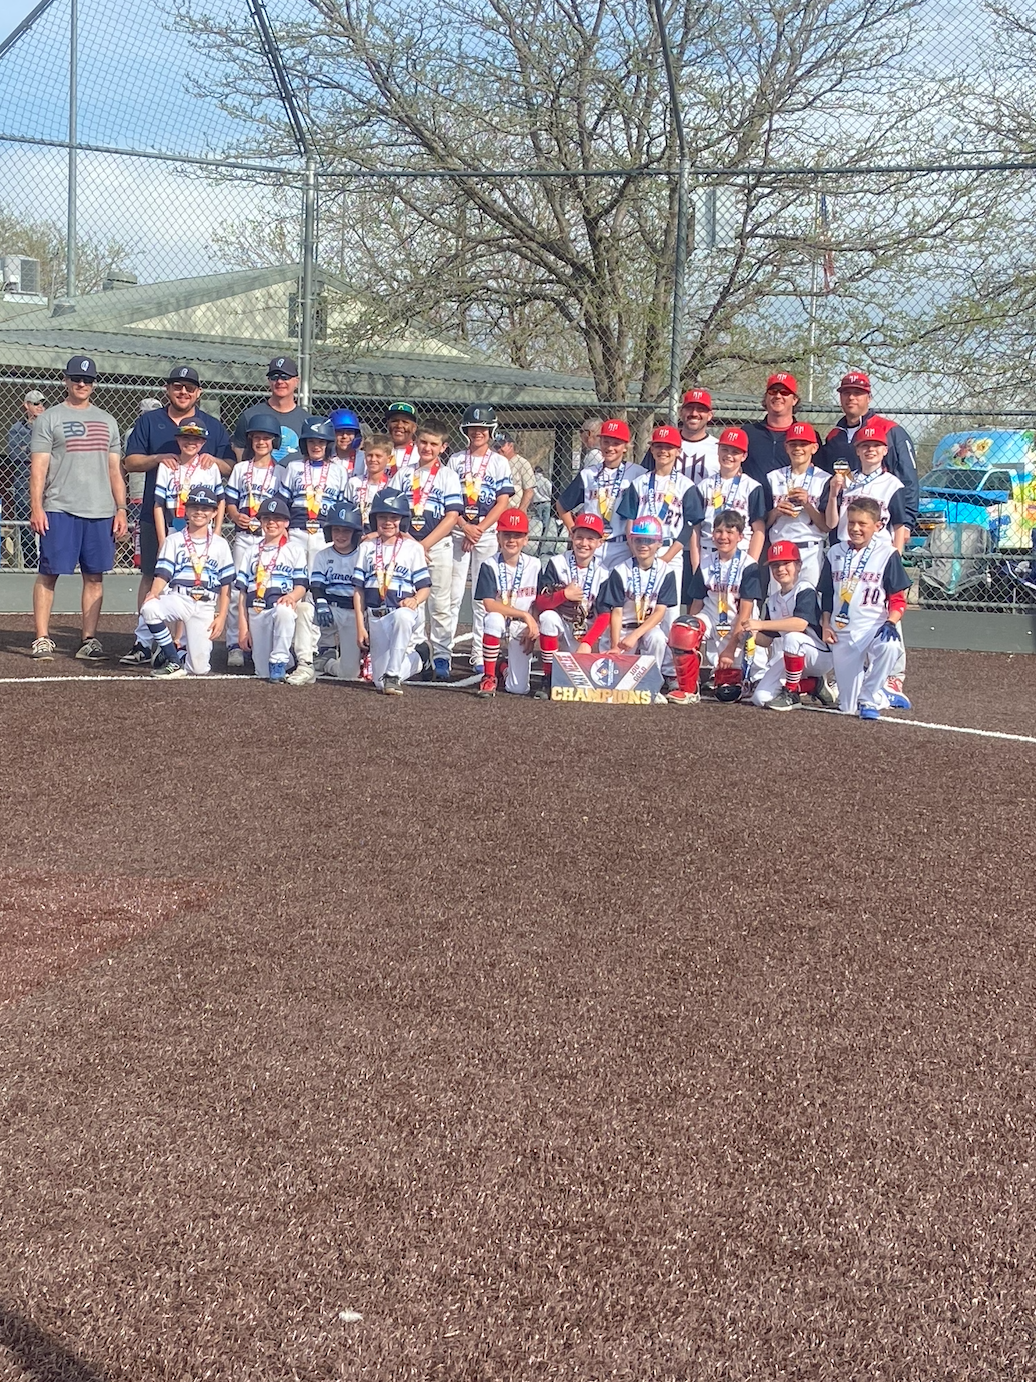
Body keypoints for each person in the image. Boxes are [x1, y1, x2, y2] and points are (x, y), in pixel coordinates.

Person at [121, 366, 233, 666]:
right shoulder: (150, 421)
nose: (183, 392)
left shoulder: (212, 425)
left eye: (189, 387)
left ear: (198, 392)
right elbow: (130, 461)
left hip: (198, 524)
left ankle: (177, 641)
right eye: (177, 386)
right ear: (167, 389)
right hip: (158, 516)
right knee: (151, 575)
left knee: (190, 578)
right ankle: (144, 641)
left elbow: (230, 466)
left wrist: (215, 461)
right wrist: (159, 458)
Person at [28, 356, 127, 661]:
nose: (82, 384)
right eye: (76, 379)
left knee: (94, 577)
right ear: (66, 381)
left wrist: (121, 508)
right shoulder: (50, 419)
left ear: (94, 384)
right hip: (60, 508)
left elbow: (114, 471)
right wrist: (37, 507)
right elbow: (38, 468)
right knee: (49, 573)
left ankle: (89, 639)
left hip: (100, 511)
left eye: (87, 380)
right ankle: (42, 638)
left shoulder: (108, 421)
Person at [820, 497, 911, 720]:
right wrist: (825, 624)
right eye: (851, 523)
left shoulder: (887, 554)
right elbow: (827, 594)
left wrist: (891, 621)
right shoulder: (834, 553)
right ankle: (883, 696)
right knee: (848, 707)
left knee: (890, 647)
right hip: (842, 630)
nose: (855, 528)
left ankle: (870, 696)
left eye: (862, 524)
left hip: (874, 627)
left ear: (877, 526)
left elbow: (898, 598)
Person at [140, 486, 234, 679]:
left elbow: (226, 585)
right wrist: (154, 593)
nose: (199, 512)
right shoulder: (173, 540)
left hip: (205, 605)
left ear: (214, 512)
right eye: (194, 507)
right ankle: (173, 658)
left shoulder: (220, 544)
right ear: (186, 510)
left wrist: (222, 616)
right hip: (180, 597)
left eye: (206, 508)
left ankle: (182, 653)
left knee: (199, 669)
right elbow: (163, 573)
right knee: (149, 608)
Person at [447, 404, 515, 672]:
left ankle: (478, 653)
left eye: (483, 428)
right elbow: (449, 500)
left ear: (491, 431)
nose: (478, 432)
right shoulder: (454, 460)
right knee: (452, 594)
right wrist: (465, 526)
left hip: (485, 534)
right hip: (458, 529)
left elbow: (503, 501)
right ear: (465, 430)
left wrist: (479, 530)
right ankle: (443, 651)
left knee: (481, 596)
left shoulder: (499, 462)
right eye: (473, 428)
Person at [280, 417, 348, 685]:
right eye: (311, 441)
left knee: (321, 590)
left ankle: (320, 647)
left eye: (321, 441)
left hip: (323, 534)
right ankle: (294, 647)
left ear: (328, 443)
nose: (316, 445)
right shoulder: (294, 466)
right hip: (297, 531)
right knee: (295, 587)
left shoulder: (339, 470)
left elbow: (343, 506)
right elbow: (284, 501)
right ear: (304, 443)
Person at [220, 411, 287, 668]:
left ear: (275, 442)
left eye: (266, 438)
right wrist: (236, 516)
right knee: (240, 588)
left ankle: (260, 641)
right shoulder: (240, 469)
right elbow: (231, 503)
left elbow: (284, 509)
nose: (261, 443)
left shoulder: (280, 472)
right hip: (245, 537)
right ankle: (234, 644)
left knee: (265, 588)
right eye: (256, 438)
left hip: (269, 538)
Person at [400, 417, 463, 681]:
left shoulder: (448, 476)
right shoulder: (403, 473)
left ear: (443, 447)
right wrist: (409, 540)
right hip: (406, 545)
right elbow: (391, 511)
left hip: (437, 546)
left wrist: (424, 544)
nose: (427, 448)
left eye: (433, 444)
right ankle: (416, 651)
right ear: (415, 442)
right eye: (423, 442)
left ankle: (441, 655)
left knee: (440, 603)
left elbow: (451, 516)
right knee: (411, 600)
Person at [352, 488, 432, 695]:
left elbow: (424, 588)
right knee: (379, 682)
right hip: (375, 617)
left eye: (394, 517)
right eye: (382, 517)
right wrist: (361, 627)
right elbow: (359, 590)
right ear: (374, 519)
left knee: (403, 616)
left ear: (402, 520)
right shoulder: (366, 548)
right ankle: (419, 658)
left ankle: (394, 675)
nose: (388, 522)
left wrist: (415, 600)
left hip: (400, 612)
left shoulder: (412, 548)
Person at [818, 370, 919, 526]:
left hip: (879, 522)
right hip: (843, 521)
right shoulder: (834, 435)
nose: (851, 397)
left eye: (857, 393)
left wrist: (906, 522)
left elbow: (908, 478)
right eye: (846, 393)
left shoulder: (890, 430)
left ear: (869, 398)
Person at [746, 541, 835, 710]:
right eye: (775, 565)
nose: (780, 569)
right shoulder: (773, 599)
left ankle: (792, 693)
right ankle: (813, 685)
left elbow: (800, 624)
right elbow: (766, 641)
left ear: (799, 565)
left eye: (786, 563)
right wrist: (750, 634)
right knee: (760, 697)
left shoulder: (805, 588)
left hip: (819, 655)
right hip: (793, 654)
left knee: (793, 638)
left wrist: (761, 623)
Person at [597, 515, 677, 701]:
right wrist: (616, 645)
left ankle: (651, 686)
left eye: (649, 541)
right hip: (622, 630)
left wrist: (636, 636)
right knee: (614, 687)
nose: (643, 545)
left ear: (659, 543)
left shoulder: (667, 571)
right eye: (639, 540)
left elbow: (660, 612)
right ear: (631, 541)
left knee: (657, 637)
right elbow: (615, 612)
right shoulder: (620, 570)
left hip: (645, 628)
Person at [685, 510, 762, 698]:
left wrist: (729, 648)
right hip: (712, 619)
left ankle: (746, 676)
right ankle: (687, 685)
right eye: (718, 531)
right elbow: (696, 602)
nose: (723, 537)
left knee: (740, 690)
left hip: (740, 624)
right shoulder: (705, 563)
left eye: (730, 532)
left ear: (740, 537)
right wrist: (688, 634)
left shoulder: (749, 565)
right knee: (683, 629)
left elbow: (745, 611)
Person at [535, 510, 611, 698]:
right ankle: (549, 676)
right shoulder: (557, 563)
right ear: (571, 536)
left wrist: (587, 642)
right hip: (563, 628)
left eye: (591, 539)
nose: (584, 543)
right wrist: (564, 595)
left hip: (589, 634)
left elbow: (605, 615)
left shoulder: (604, 573)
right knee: (547, 618)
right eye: (580, 537)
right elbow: (541, 603)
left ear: (600, 543)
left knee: (588, 689)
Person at [236, 496, 308, 683]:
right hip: (256, 610)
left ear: (286, 522)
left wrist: (292, 596)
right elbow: (243, 593)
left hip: (278, 606)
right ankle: (288, 660)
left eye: (277, 519)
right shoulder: (251, 551)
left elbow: (301, 586)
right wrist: (244, 628)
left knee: (285, 611)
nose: (271, 523)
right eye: (266, 518)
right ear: (260, 522)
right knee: (262, 671)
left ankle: (280, 659)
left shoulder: (294, 549)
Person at [557, 418, 645, 569]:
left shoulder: (638, 474)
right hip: (594, 546)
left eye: (616, 443)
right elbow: (562, 505)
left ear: (625, 447)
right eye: (606, 442)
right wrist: (574, 531)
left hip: (623, 546)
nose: (610, 447)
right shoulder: (588, 474)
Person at [474, 507, 542, 698]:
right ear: (498, 537)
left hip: (520, 627)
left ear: (526, 539)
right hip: (504, 620)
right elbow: (489, 604)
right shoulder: (489, 564)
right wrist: (525, 615)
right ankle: (488, 677)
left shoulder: (535, 565)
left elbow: (539, 602)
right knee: (493, 619)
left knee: (518, 688)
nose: (511, 540)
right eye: (507, 535)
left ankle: (501, 667)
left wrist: (532, 628)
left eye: (517, 535)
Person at [823, 421, 910, 550]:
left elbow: (898, 526)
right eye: (865, 445)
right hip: (845, 547)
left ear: (885, 450)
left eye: (876, 445)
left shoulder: (893, 484)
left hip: (879, 549)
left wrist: (896, 555)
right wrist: (832, 495)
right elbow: (831, 524)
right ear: (857, 451)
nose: (870, 449)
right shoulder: (844, 480)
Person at [764, 420, 830, 588]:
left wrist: (807, 505)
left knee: (809, 601)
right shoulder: (773, 477)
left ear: (814, 448)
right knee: (779, 605)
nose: (798, 448)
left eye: (804, 444)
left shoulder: (824, 479)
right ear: (786, 447)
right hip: (779, 550)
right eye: (793, 444)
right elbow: (762, 523)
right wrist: (776, 511)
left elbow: (826, 526)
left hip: (810, 549)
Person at [694, 426, 767, 563]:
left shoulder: (752, 486)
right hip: (708, 551)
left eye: (735, 452)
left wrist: (751, 562)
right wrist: (696, 563)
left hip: (740, 552)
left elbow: (758, 530)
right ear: (718, 450)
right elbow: (695, 528)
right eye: (725, 450)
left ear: (744, 456)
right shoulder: (704, 485)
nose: (728, 455)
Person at [311, 499, 363, 680]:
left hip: (352, 612)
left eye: (346, 530)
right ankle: (307, 660)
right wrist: (321, 602)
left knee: (350, 674)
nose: (340, 535)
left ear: (355, 533)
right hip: (329, 607)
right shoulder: (323, 554)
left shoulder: (363, 554)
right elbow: (316, 585)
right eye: (336, 530)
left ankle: (327, 663)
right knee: (303, 610)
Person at [153, 423, 226, 546]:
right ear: (178, 439)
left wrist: (217, 530)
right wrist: (162, 540)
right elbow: (158, 504)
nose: (191, 442)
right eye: (185, 437)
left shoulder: (210, 466)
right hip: (174, 532)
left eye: (196, 439)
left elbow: (221, 500)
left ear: (203, 442)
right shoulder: (167, 467)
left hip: (204, 532)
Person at [232, 356, 308, 463]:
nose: (279, 381)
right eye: (274, 377)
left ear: (296, 381)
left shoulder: (306, 420)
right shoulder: (250, 416)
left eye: (285, 377)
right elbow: (239, 450)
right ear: (269, 381)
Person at [7, 389, 46, 569]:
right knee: (27, 525)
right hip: (24, 482)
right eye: (36, 403)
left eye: (42, 403)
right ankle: (31, 564)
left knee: (50, 524)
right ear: (27, 406)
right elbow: (17, 454)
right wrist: (39, 453)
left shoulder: (48, 426)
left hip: (47, 482)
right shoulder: (17, 429)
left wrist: (32, 452)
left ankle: (47, 562)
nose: (40, 407)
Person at [743, 371, 799, 483]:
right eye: (773, 391)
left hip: (789, 498)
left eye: (784, 392)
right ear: (766, 397)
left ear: (794, 400)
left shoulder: (805, 436)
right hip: (754, 499)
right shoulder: (748, 432)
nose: (778, 396)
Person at [347, 435, 393, 529]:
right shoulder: (354, 482)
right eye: (369, 455)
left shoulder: (391, 485)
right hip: (356, 529)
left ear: (389, 459)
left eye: (378, 456)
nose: (373, 459)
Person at [676, 387, 719, 484]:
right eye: (689, 408)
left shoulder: (719, 448)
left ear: (710, 415)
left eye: (701, 409)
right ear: (680, 412)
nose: (694, 413)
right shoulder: (664, 445)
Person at [493, 432, 536, 511]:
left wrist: (520, 511)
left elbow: (529, 491)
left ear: (511, 445)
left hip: (514, 509)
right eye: (496, 447)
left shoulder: (523, 463)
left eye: (501, 446)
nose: (498, 449)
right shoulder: (494, 463)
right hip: (496, 510)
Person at [330, 407, 366, 480]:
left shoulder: (364, 458)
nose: (344, 436)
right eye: (339, 431)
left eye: (349, 432)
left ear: (356, 435)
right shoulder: (326, 457)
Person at [386, 402, 419, 478]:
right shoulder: (377, 451)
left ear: (414, 428)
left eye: (405, 422)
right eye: (395, 421)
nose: (399, 425)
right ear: (388, 425)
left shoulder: (420, 454)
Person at [531, 465, 552, 534]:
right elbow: (551, 491)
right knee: (546, 521)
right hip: (547, 502)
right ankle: (544, 535)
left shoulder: (532, 481)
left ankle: (537, 535)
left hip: (537, 503)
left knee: (538, 522)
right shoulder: (545, 481)